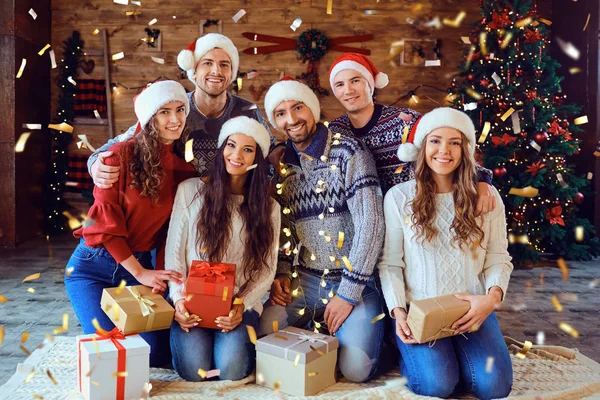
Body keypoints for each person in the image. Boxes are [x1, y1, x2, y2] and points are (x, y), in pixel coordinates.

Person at [378, 107, 513, 399]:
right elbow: (389, 264)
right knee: (436, 385)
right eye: (436, 141)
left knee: (495, 386)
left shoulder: (486, 197)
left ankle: (458, 356)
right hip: (420, 310)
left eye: (455, 142)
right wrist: (398, 312)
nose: (445, 151)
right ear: (422, 147)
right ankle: (402, 348)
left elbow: (498, 257)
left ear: (466, 150)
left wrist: (491, 299)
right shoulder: (399, 198)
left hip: (471, 308)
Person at [258, 77, 386, 383]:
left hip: (354, 280)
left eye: (298, 107)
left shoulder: (348, 153)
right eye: (280, 113)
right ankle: (331, 334)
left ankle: (380, 340)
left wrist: (349, 292)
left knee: (356, 371)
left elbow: (372, 223)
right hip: (306, 280)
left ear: (312, 109)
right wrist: (282, 272)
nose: (291, 119)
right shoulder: (281, 165)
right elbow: (285, 225)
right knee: (265, 337)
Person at [65, 81, 197, 367]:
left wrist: (162, 279)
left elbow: (169, 234)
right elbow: (103, 224)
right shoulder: (116, 157)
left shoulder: (184, 171)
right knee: (113, 356)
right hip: (92, 267)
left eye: (179, 110)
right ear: (149, 118)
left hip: (137, 270)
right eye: (164, 112)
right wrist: (141, 273)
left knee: (154, 356)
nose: (174, 120)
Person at [165, 116, 281, 381]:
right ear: (221, 148)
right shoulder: (190, 191)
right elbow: (174, 254)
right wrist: (179, 299)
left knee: (232, 370)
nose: (237, 155)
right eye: (231, 145)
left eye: (248, 149)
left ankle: (232, 346)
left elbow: (266, 269)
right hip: (192, 301)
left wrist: (242, 305)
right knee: (194, 370)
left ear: (257, 158)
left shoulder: (269, 207)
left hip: (236, 304)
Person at [87, 33, 273, 189]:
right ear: (194, 71)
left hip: (231, 206)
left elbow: (272, 153)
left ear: (231, 73)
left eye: (224, 64)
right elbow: (121, 141)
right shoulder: (174, 109)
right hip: (179, 207)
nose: (216, 71)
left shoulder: (248, 111)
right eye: (207, 63)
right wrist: (94, 164)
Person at [327, 53, 496, 215]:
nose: (348, 90)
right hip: (361, 224)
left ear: (370, 83)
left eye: (355, 81)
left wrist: (482, 181)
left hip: (408, 218)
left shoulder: (405, 121)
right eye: (340, 84)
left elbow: (447, 155)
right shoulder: (335, 131)